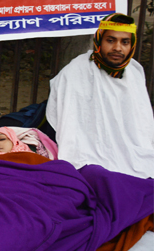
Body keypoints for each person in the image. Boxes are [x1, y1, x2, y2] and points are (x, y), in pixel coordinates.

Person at [47, 13, 154, 178]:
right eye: (110, 40)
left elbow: (142, 123)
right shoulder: (77, 69)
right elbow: (72, 123)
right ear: (98, 40)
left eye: (125, 42)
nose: (118, 48)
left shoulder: (134, 71)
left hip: (133, 153)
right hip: (89, 155)